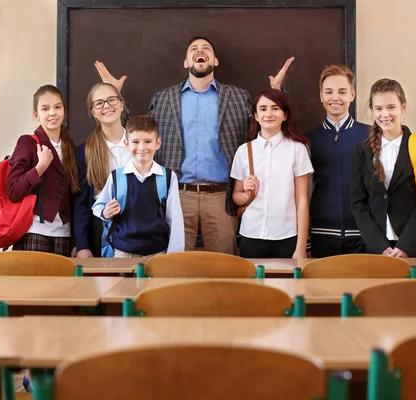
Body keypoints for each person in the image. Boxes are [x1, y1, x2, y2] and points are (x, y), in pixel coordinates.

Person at [94, 36, 294, 254]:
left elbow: (264, 129)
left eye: (206, 48)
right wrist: (115, 95)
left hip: (222, 196)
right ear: (186, 62)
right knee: (175, 267)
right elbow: (137, 131)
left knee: (223, 268)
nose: (200, 51)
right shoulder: (164, 98)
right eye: (194, 49)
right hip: (177, 195)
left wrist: (276, 93)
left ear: (215, 60)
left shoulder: (237, 97)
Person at [350, 78, 416, 262]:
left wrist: (405, 245)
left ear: (403, 108)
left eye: (391, 107)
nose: (385, 114)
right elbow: (357, 202)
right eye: (379, 108)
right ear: (372, 110)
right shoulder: (363, 151)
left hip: (412, 246)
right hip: (375, 249)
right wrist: (379, 246)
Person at [231, 89, 312, 258]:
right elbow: (236, 197)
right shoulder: (244, 151)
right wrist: (246, 194)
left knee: (288, 285)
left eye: (275, 108)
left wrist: (301, 247)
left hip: (286, 236)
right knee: (253, 284)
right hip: (251, 234)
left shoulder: (297, 149)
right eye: (263, 109)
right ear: (255, 115)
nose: (269, 113)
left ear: (285, 115)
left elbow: (302, 200)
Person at [92, 115, 184, 257]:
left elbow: (175, 220)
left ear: (157, 143)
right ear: (127, 144)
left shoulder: (167, 177)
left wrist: (174, 256)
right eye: (135, 142)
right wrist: (105, 212)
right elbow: (98, 207)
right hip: (122, 252)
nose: (142, 147)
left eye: (148, 141)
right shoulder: (117, 176)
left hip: (157, 253)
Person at [7, 85, 79, 256]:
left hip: (64, 235)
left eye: (57, 107)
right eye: (45, 109)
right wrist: (40, 168)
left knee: (64, 284)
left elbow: (74, 197)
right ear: (36, 115)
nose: (52, 113)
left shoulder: (71, 148)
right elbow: (13, 190)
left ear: (64, 111)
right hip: (33, 232)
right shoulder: (28, 142)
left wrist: (77, 241)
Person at [305, 65, 369, 257]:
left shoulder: (370, 135)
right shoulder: (308, 139)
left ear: (352, 94)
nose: (335, 98)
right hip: (321, 234)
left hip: (363, 234)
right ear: (321, 96)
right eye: (329, 92)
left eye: (342, 92)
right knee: (320, 288)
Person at [73, 83, 131, 258]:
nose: (106, 106)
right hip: (101, 229)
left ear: (121, 104)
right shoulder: (86, 151)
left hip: (137, 225)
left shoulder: (140, 144)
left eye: (111, 100)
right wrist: (82, 245)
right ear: (93, 111)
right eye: (99, 103)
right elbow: (81, 204)